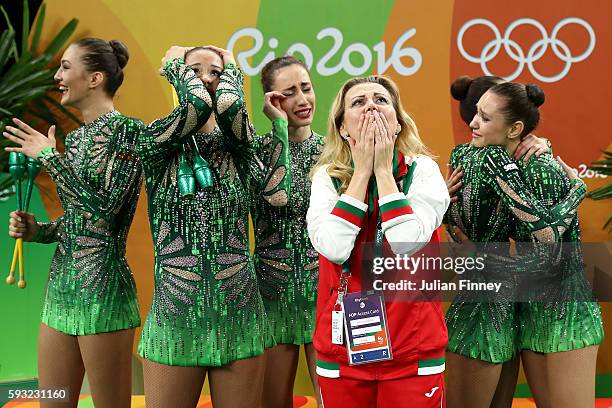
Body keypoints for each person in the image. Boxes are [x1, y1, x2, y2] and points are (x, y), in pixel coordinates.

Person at [136, 46, 291, 408]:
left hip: (238, 311)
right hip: (176, 314)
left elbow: (278, 195)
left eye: (217, 72)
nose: (207, 79)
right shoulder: (155, 142)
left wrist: (278, 123)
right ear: (178, 78)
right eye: (195, 70)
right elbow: (196, 107)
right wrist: (175, 64)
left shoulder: (241, 147)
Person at [444, 80, 602, 408]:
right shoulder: (477, 159)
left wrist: (578, 189)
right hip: (517, 307)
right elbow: (456, 231)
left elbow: (550, 251)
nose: (472, 123)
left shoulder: (539, 167)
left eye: (485, 118)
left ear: (515, 127)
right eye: (475, 114)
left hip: (564, 311)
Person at [5, 38, 144, 408]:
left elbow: (105, 212)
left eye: (66, 67)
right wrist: (39, 231)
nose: (57, 76)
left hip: (104, 291)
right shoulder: (78, 139)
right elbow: (80, 221)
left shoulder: (128, 132)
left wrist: (51, 158)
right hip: (60, 292)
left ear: (95, 77)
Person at [307, 75, 450, 407]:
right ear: (343, 128)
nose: (371, 106)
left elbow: (406, 243)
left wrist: (383, 173)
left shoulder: (423, 171)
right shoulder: (326, 179)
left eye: (381, 100)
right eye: (358, 102)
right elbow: (333, 246)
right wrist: (360, 174)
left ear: (397, 122)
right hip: (342, 350)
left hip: (414, 350)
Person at [253, 56, 324, 407]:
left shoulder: (335, 151)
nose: (302, 100)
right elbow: (279, 199)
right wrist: (279, 129)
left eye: (306, 89)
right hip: (271, 290)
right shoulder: (257, 151)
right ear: (270, 101)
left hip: (327, 292)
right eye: (289, 93)